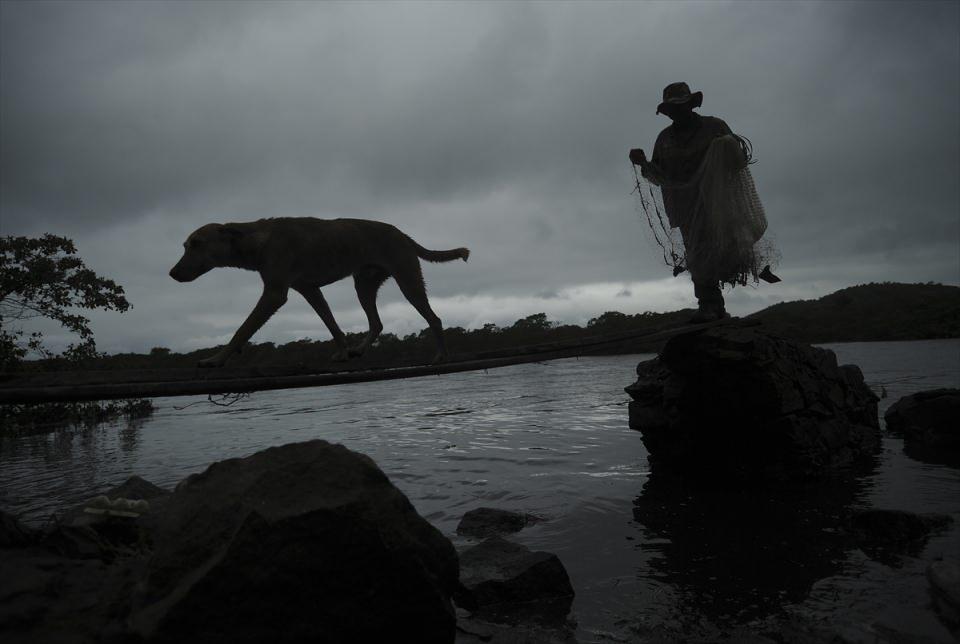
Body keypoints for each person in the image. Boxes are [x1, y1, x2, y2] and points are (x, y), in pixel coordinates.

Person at [629, 82, 776, 322]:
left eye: (682, 106)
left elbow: (738, 161)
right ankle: (710, 305)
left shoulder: (714, 126)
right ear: (667, 112)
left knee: (722, 248)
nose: (678, 112)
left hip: (718, 202)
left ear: (691, 105)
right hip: (685, 206)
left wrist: (725, 147)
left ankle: (714, 306)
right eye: (673, 109)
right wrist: (643, 162)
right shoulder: (665, 139)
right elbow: (658, 175)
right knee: (697, 253)